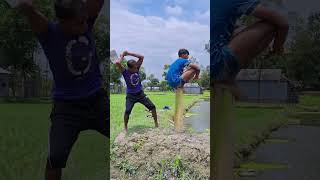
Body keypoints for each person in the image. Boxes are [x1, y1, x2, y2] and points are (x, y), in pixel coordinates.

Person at [16, 0, 108, 179]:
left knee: (121, 132)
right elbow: (30, 11)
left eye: (85, 21)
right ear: (62, 21)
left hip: (96, 101)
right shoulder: (49, 33)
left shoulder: (85, 21)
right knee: (55, 158)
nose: (85, 26)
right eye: (79, 23)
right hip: (67, 108)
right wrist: (26, 7)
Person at [211, 0, 289, 97]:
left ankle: (223, 76)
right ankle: (225, 78)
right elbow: (283, 23)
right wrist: (277, 48)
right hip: (217, 65)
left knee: (240, 29)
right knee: (272, 24)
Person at [115, 51, 158, 132]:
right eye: (134, 68)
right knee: (127, 111)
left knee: (153, 107)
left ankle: (156, 124)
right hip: (131, 96)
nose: (136, 69)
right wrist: (123, 55)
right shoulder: (125, 72)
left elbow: (142, 57)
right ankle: (125, 127)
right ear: (129, 68)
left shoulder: (136, 68)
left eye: (136, 67)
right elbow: (117, 63)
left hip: (140, 94)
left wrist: (128, 53)